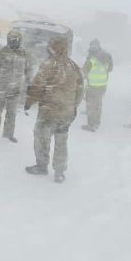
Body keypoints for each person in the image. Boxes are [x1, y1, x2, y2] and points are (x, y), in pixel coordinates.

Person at [23, 36, 84, 183]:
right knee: (61, 141)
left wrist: (29, 102)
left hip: (49, 112)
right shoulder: (74, 66)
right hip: (66, 113)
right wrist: (73, 106)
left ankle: (41, 166)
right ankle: (60, 171)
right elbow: (80, 90)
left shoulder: (48, 64)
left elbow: (37, 85)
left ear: (51, 48)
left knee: (42, 138)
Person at [0, 30, 31, 144]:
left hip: (16, 89)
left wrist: (28, 81)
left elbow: (28, 69)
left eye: (15, 39)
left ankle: (8, 134)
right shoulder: (2, 52)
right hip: (1, 88)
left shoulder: (24, 53)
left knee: (11, 114)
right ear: (8, 39)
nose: (13, 41)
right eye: (11, 39)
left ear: (20, 40)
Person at [81, 39, 113, 132]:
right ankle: (97, 122)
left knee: (91, 106)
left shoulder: (91, 60)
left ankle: (91, 125)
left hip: (92, 86)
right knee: (98, 104)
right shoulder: (106, 58)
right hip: (102, 86)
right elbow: (110, 69)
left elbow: (83, 73)